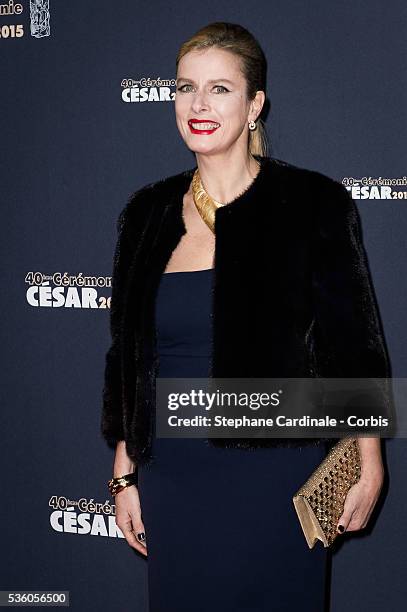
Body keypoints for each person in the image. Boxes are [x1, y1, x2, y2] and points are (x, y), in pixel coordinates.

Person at [101, 22, 392, 612]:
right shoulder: (146, 213)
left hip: (279, 471)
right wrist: (125, 473)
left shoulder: (313, 202)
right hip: (174, 477)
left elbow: (353, 340)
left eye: (220, 89)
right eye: (186, 88)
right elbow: (127, 353)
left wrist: (369, 457)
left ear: (255, 104)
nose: (199, 105)